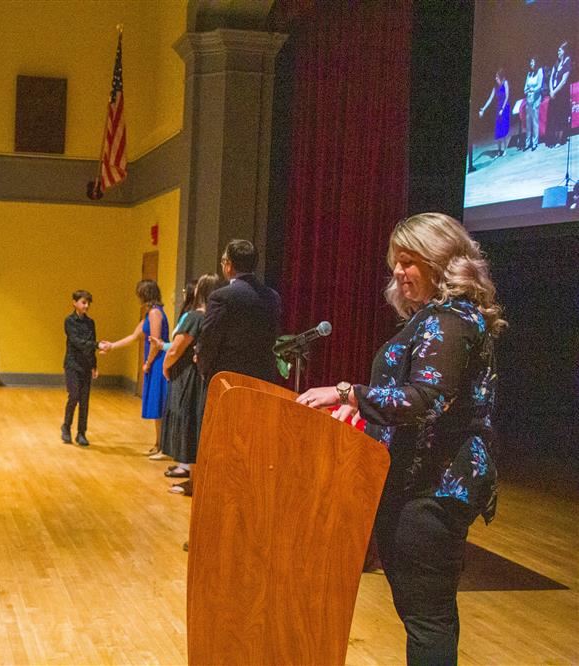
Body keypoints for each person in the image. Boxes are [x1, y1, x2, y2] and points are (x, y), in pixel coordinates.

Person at [296, 212, 504, 664]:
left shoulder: (450, 320)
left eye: (409, 261)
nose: (397, 270)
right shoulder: (436, 317)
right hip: (418, 482)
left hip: (433, 487)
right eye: (396, 261)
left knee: (428, 618)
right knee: (424, 615)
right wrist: (360, 407)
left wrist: (348, 391)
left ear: (441, 262)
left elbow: (427, 398)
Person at [155, 273, 226, 493]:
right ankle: (195, 480)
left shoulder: (195, 316)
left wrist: (165, 366)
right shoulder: (218, 316)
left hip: (187, 378)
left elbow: (176, 349)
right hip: (203, 376)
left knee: (188, 424)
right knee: (197, 424)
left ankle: (193, 481)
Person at [196, 239, 281, 386]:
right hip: (262, 380)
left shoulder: (221, 296)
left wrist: (204, 372)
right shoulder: (273, 296)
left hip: (228, 381)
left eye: (223, 261)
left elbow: (208, 341)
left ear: (229, 265)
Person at [100, 280, 170, 457]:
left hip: (158, 361)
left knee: (159, 402)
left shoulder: (155, 313)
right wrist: (112, 346)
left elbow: (155, 343)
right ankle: (158, 444)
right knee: (156, 403)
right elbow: (133, 336)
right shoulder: (149, 314)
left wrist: (147, 363)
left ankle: (162, 446)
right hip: (154, 361)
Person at [61, 290, 98, 447]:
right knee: (74, 396)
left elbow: (91, 345)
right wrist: (97, 344)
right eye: (83, 302)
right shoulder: (69, 321)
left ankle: (81, 433)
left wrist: (94, 365)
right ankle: (66, 427)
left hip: (86, 365)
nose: (86, 305)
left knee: (84, 400)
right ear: (74, 303)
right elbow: (77, 341)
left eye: (88, 303)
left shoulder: (91, 323)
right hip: (72, 364)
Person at [479, 69, 511, 157]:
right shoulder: (495, 87)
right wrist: (484, 108)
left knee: (503, 129)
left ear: (500, 77)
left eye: (497, 77)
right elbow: (490, 99)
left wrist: (502, 109)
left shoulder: (505, 83)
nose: (495, 78)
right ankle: (499, 150)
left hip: (504, 107)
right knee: (498, 130)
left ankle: (504, 149)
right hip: (498, 109)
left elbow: (507, 96)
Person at [547, 42, 572, 147]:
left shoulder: (567, 62)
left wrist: (555, 91)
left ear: (564, 51)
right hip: (554, 95)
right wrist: (551, 90)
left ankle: (560, 140)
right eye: (558, 50)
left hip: (562, 95)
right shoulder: (556, 63)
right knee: (555, 117)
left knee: (562, 116)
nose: (558, 52)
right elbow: (551, 77)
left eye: (560, 50)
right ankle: (555, 138)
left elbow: (564, 81)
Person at [523, 56, 544, 152]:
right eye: (530, 62)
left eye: (532, 62)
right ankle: (527, 143)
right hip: (529, 100)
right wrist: (526, 90)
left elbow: (539, 86)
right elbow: (525, 87)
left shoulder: (539, 71)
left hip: (536, 99)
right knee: (528, 123)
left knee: (535, 122)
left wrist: (533, 90)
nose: (531, 64)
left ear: (536, 62)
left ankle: (535, 142)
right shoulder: (529, 73)